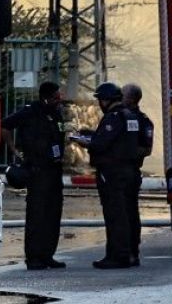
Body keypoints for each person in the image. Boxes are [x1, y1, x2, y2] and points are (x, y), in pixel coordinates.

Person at [73, 81, 141, 270]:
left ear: (106, 100)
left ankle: (118, 256)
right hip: (129, 170)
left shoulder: (113, 117)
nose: (100, 104)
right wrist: (93, 134)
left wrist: (84, 142)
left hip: (112, 172)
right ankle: (130, 253)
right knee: (128, 214)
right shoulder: (130, 116)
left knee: (115, 215)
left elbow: (101, 144)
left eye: (101, 100)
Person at [3, 82, 67, 270]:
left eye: (59, 97)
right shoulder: (30, 111)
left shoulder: (56, 113)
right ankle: (34, 257)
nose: (58, 100)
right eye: (55, 97)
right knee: (37, 216)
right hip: (37, 171)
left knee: (53, 214)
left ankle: (48, 255)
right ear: (45, 97)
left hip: (54, 170)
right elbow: (5, 126)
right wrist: (14, 150)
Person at [120, 82, 156, 265]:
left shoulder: (143, 121)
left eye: (123, 95)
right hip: (118, 171)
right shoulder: (119, 117)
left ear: (132, 99)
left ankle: (132, 250)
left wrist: (126, 151)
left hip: (130, 171)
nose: (120, 97)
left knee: (129, 213)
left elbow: (147, 149)